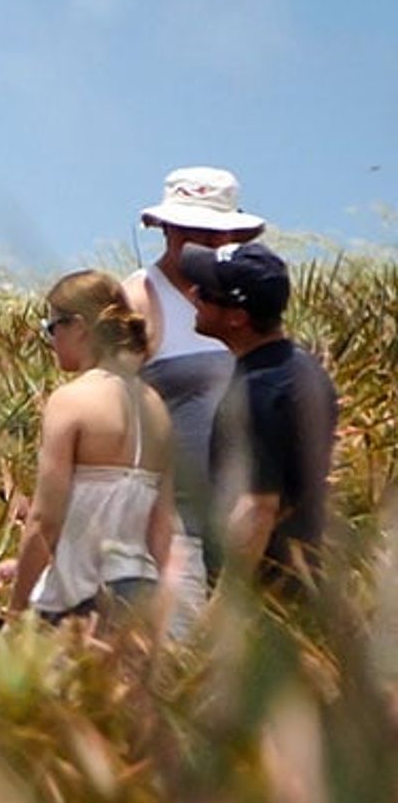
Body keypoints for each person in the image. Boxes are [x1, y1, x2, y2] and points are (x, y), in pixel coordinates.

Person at [122, 168, 265, 633]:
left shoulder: (246, 294)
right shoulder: (140, 295)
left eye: (207, 230)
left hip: (251, 511)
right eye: (184, 229)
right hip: (174, 520)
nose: (194, 240)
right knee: (180, 659)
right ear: (164, 228)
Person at [7, 271, 176, 623]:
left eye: (52, 327)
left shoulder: (72, 401)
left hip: (79, 598)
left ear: (80, 326)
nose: (50, 339)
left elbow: (45, 521)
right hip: (140, 594)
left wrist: (16, 607)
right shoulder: (156, 406)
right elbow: (161, 526)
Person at [181, 241, 338, 595]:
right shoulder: (301, 368)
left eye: (205, 292)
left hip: (262, 601)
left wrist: (224, 611)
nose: (193, 294)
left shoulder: (258, 390)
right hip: (300, 586)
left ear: (238, 316)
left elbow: (257, 509)